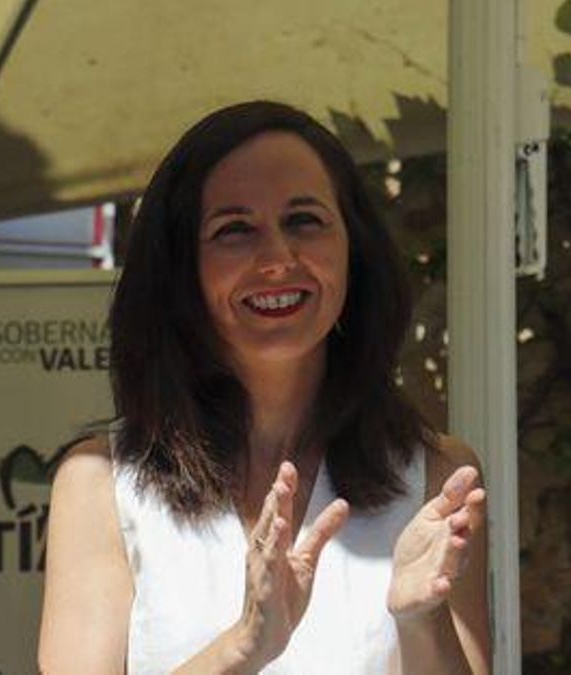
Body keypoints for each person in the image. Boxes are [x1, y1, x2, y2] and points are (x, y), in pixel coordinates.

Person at [39, 101, 489, 674]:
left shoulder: (436, 474)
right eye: (235, 231)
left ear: (354, 247)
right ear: (182, 270)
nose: (277, 258)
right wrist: (243, 646)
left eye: (304, 220)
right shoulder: (100, 484)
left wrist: (420, 619)